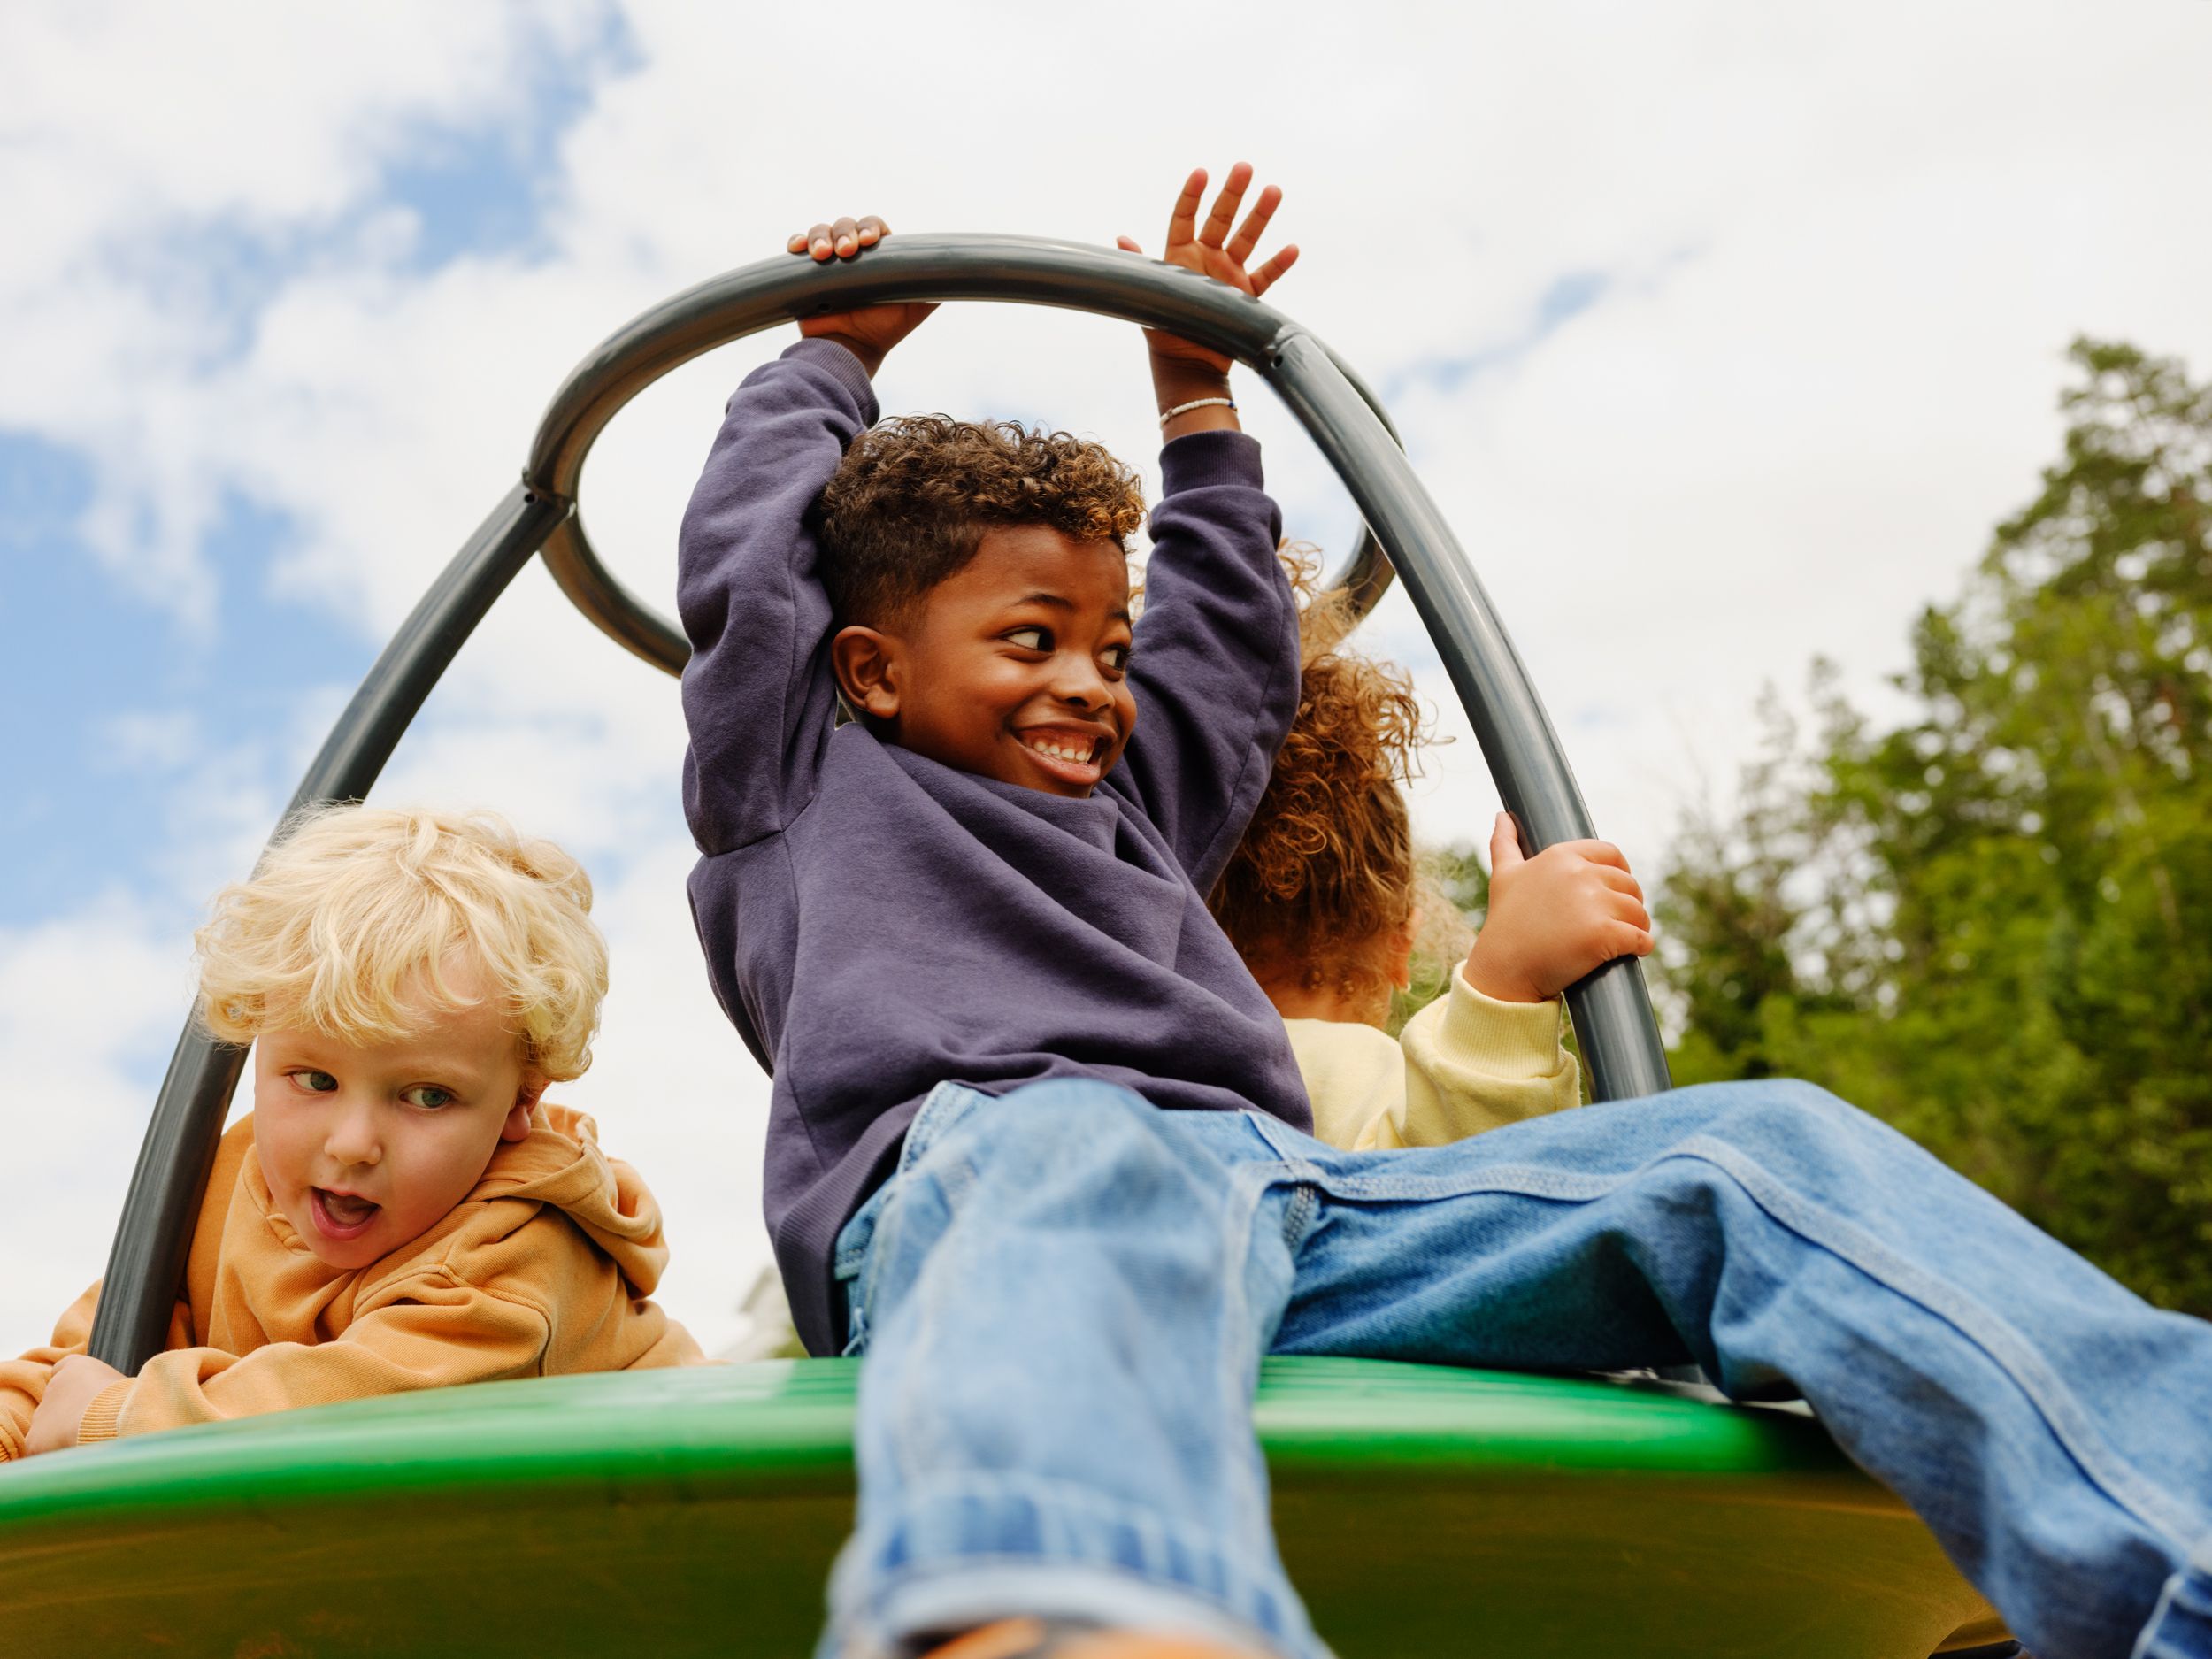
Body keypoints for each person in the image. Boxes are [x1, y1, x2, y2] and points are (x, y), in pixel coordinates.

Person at [678, 173, 2210, 1659]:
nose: (1088, 682)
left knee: (1756, 1157)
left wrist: (1197, 395)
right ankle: (1067, 1605)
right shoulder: (801, 780)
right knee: (1074, 1147)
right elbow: (747, 584)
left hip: (1290, 1207)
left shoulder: (1132, 807)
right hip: (1002, 1173)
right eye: (1030, 640)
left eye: (1105, 644)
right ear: (871, 669)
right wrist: (831, 357)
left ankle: (2179, 1557)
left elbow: (1227, 647)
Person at [0, 805, 703, 1462]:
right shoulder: (220, 1186)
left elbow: (351, 1417)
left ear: (521, 1101)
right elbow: (77, 1370)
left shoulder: (518, 1251)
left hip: (680, 1526)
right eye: (313, 1080)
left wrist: (120, 1417)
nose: (352, 1143)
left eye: (427, 1095)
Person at [1207, 566, 1646, 1150]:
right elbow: (1459, 1193)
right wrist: (1505, 988)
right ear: (1401, 937)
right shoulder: (1350, 1074)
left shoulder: (1157, 1067)